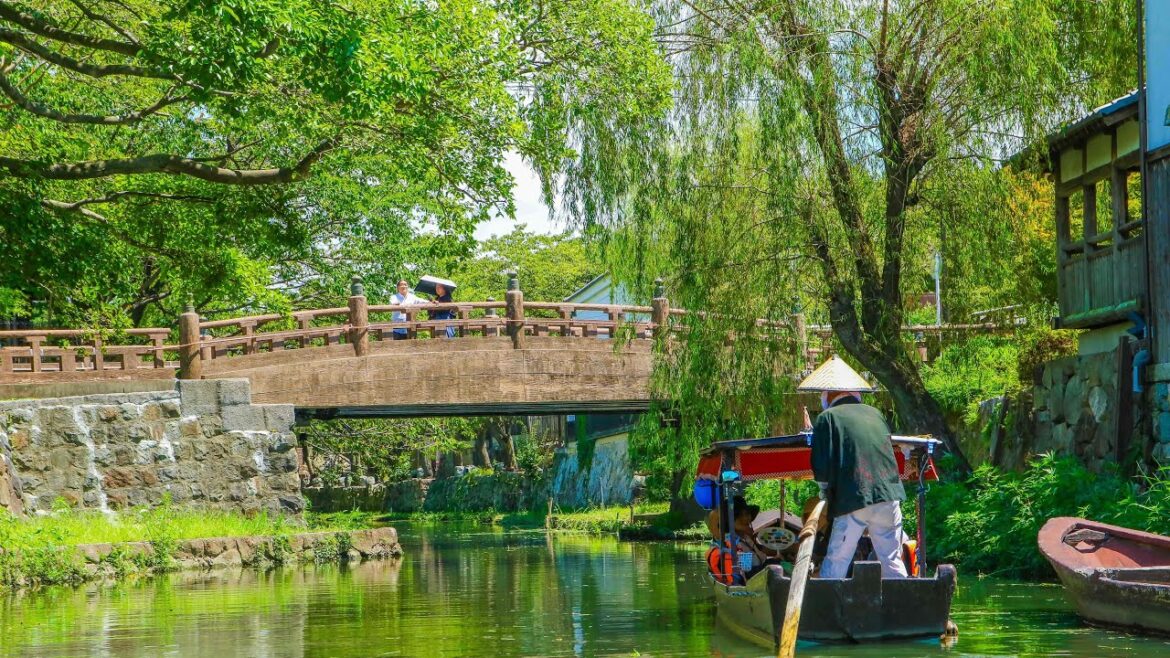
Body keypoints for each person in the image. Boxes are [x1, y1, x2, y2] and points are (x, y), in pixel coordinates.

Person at [798, 355, 908, 580]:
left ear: (828, 395)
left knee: (837, 559)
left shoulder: (827, 418)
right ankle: (905, 606)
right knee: (891, 559)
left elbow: (822, 466)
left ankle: (829, 609)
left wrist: (825, 495)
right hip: (889, 497)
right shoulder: (876, 414)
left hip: (854, 497)